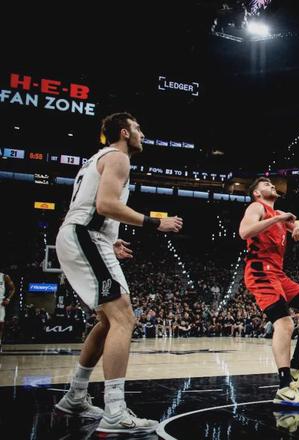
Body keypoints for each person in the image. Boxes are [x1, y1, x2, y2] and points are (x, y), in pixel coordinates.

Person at [54, 112, 183, 434]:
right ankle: (114, 412)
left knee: (108, 320)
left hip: (83, 235)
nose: (142, 134)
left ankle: (76, 395)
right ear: (124, 132)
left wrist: (109, 241)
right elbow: (105, 205)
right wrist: (155, 223)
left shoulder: (98, 158)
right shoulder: (117, 157)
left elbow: (91, 206)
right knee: (124, 318)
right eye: (138, 128)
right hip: (84, 235)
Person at [239, 177, 299, 407]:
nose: (271, 185)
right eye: (265, 184)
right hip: (259, 270)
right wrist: (278, 218)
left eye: (271, 184)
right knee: (285, 324)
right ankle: (284, 388)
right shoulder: (257, 207)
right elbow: (244, 232)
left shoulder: (280, 215)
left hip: (278, 274)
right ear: (256, 193)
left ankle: (295, 368)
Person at [0, 272, 16, 345]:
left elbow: (13, 289)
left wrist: (8, 299)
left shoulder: (4, 276)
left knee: (1, 324)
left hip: (1, 303)